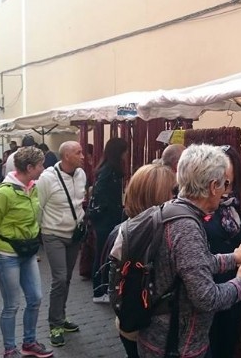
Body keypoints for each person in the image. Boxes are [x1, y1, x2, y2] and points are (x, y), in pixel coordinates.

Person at [138, 144, 241, 358]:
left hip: (163, 338)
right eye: (225, 184)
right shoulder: (186, 227)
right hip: (176, 345)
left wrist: (232, 258)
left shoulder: (172, 210)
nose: (226, 191)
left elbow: (194, 263)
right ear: (214, 186)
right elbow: (206, 298)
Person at [0, 146, 53, 358]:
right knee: (12, 305)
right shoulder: (3, 193)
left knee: (35, 298)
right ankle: (10, 349)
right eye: (40, 165)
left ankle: (29, 342)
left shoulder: (34, 187)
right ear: (29, 167)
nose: (43, 168)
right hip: (8, 255)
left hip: (28, 252)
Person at [110, 163, 177, 358]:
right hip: (153, 327)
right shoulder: (168, 233)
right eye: (174, 192)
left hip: (127, 322)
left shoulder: (124, 229)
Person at [205, 145, 241, 358]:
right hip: (208, 283)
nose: (224, 180)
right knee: (207, 340)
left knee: (229, 339)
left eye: (228, 174)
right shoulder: (203, 204)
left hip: (238, 284)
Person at [36, 141, 87, 347]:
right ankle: (54, 324)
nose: (83, 156)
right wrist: (38, 234)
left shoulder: (81, 174)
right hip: (53, 233)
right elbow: (38, 206)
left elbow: (80, 200)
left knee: (66, 280)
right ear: (66, 156)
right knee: (59, 278)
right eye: (78, 152)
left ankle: (61, 316)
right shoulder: (47, 178)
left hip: (74, 234)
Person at [90, 137, 128, 303]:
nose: (127, 154)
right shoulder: (109, 170)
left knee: (105, 253)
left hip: (108, 218)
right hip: (106, 220)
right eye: (125, 150)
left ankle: (103, 288)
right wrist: (112, 208)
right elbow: (100, 193)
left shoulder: (109, 169)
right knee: (103, 253)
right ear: (119, 152)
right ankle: (99, 291)